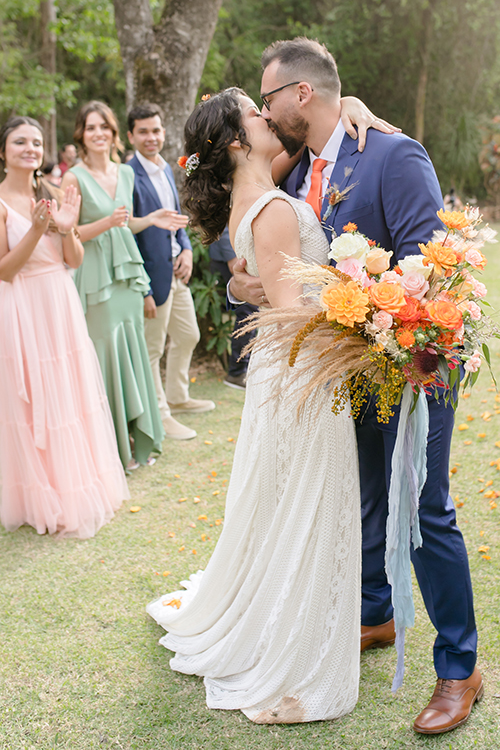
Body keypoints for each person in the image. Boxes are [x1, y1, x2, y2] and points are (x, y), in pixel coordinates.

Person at [228, 38, 481, 736]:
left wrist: (403, 349)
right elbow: (262, 245)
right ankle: (374, 611)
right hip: (344, 372)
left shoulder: (393, 154)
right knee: (363, 491)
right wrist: (246, 280)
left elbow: (431, 262)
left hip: (412, 364)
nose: (265, 109)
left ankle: (459, 668)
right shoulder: (298, 164)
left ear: (300, 94)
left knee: (424, 508)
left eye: (269, 97)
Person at [147, 88, 361, 723]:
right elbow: (295, 310)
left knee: (288, 500)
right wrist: (364, 299)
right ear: (239, 140)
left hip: (287, 368)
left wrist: (353, 109)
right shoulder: (269, 207)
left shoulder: (261, 193)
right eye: (255, 112)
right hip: (303, 369)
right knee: (308, 502)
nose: (269, 118)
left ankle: (287, 617)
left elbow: (269, 288)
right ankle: (293, 659)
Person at [0, 117, 129, 537]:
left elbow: (72, 259)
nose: (30, 148)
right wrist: (37, 230)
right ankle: (38, 494)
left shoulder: (53, 193)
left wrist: (67, 227)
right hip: (23, 304)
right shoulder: (1, 202)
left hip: (60, 300)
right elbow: (4, 271)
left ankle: (72, 486)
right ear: (3, 151)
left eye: (36, 142)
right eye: (20, 141)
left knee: (67, 393)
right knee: (35, 397)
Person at [61, 101, 186, 471]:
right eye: (90, 127)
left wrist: (150, 219)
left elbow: (124, 224)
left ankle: (136, 437)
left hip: (128, 278)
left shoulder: (124, 174)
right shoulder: (73, 178)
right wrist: (109, 222)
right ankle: (110, 447)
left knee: (132, 356)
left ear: (114, 134)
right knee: (103, 360)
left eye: (104, 127)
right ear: (81, 135)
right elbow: (68, 236)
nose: (98, 133)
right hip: (96, 280)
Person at [127, 103, 215, 438]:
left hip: (177, 271)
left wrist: (189, 250)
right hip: (151, 278)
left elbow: (176, 222)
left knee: (189, 334)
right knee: (152, 350)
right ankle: (160, 415)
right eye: (144, 131)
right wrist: (144, 288)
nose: (152, 137)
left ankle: (177, 396)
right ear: (131, 135)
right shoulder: (128, 176)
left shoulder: (165, 168)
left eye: (156, 130)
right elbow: (128, 235)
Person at [209, 227, 255, 389]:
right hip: (230, 256)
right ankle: (237, 371)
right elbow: (224, 225)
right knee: (248, 311)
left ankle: (243, 368)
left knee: (249, 312)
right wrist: (231, 257)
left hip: (243, 256)